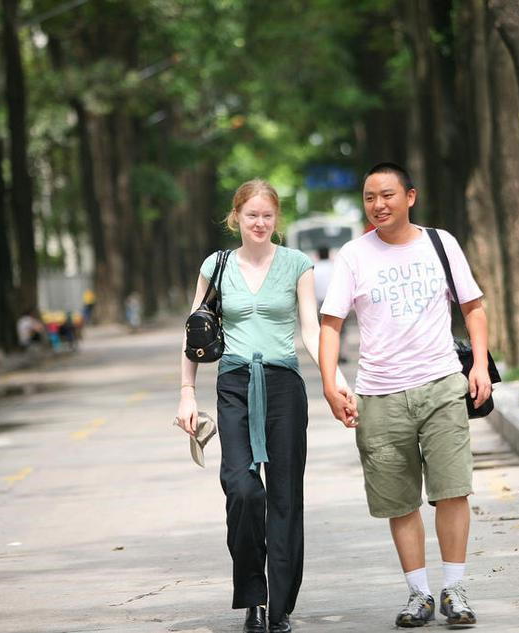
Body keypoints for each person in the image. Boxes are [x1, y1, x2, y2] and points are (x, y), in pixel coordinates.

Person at [174, 179, 355, 633]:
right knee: (243, 490)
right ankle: (252, 595)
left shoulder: (297, 264)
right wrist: (186, 394)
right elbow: (194, 334)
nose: (259, 222)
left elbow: (312, 331)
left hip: (283, 387)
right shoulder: (215, 266)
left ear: (277, 220)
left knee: (285, 496)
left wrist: (336, 381)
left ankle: (278, 607)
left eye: (267, 216)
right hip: (234, 384)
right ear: (236, 216)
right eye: (251, 214)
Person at [317, 162, 490, 628]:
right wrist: (331, 381)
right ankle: (419, 594)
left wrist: (479, 365)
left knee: (453, 490)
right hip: (379, 395)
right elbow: (331, 324)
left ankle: (454, 589)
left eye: (388, 195)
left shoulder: (441, 243)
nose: (379, 205)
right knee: (400, 501)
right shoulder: (353, 256)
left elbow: (473, 307)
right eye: (370, 197)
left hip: (440, 386)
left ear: (410, 197)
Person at [312, 246, 347, 363]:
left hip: (320, 304)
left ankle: (324, 355)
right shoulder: (334, 266)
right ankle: (339, 354)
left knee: (322, 331)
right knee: (340, 331)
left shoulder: (314, 269)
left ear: (318, 255)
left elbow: (313, 288)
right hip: (337, 303)